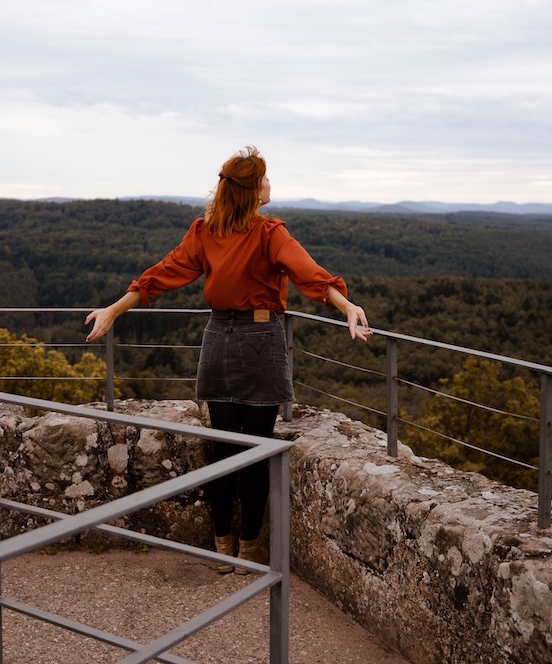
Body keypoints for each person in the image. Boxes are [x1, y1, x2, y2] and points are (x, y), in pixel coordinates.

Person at [85, 146, 371, 574]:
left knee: (222, 447)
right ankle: (249, 548)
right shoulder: (269, 232)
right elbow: (309, 273)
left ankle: (221, 546)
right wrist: (346, 307)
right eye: (266, 179)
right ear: (254, 192)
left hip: (218, 338)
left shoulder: (206, 230)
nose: (271, 185)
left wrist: (114, 308)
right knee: (255, 451)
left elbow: (164, 273)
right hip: (259, 340)